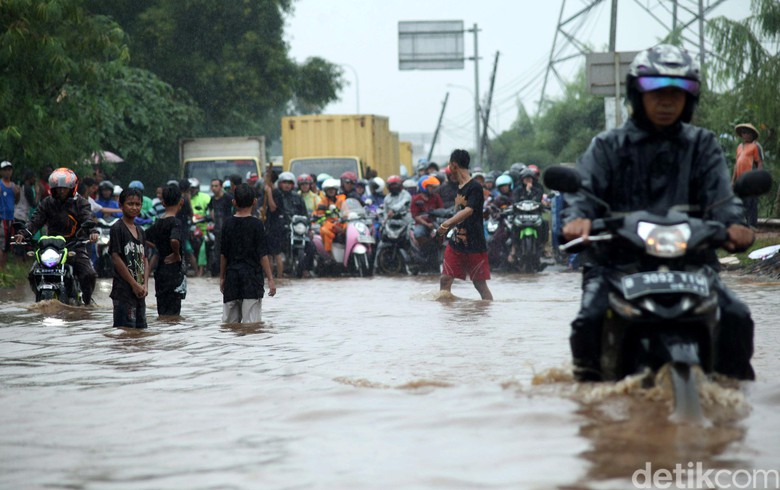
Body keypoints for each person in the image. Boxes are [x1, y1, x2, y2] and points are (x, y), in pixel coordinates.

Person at [561, 44, 756, 382]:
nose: (666, 101)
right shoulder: (607, 146)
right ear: (638, 94)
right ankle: (589, 399)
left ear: (689, 99)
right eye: (656, 91)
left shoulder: (702, 145)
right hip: (616, 262)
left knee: (737, 315)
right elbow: (584, 193)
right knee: (587, 322)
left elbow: (721, 198)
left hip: (691, 262)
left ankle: (734, 394)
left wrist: (735, 224)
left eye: (677, 92)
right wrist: (578, 220)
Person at [16, 168, 99, 304]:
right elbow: (35, 220)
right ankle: (40, 297)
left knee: (88, 274)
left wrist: (93, 231)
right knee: (32, 274)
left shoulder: (81, 202)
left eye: (64, 188)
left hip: (74, 245)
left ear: (72, 188)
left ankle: (87, 303)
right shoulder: (47, 202)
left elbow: (87, 218)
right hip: (51, 247)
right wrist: (22, 233)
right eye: (58, 188)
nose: (61, 191)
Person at [436, 149, 493, 300]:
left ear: (454, 165)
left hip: (474, 244)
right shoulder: (458, 187)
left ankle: (487, 315)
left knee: (480, 285)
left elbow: (469, 210)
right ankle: (448, 319)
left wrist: (446, 224)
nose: (449, 169)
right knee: (445, 279)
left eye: (449, 165)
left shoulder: (475, 187)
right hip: (456, 242)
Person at [220, 183, 276, 323]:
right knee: (251, 326)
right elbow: (263, 255)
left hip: (232, 278)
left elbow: (223, 255)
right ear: (255, 202)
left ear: (234, 202)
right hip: (252, 280)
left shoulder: (227, 224)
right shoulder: (257, 225)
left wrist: (222, 278)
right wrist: (270, 279)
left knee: (229, 325)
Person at [109, 188, 150, 329]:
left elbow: (144, 259)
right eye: (130, 204)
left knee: (140, 332)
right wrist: (133, 284)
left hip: (139, 293)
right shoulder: (117, 228)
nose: (134, 207)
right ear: (121, 206)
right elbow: (115, 257)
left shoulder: (141, 231)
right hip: (123, 291)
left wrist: (145, 285)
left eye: (137, 204)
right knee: (124, 332)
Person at [146, 184, 186, 317]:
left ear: (163, 203)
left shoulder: (158, 222)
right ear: (181, 201)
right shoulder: (176, 222)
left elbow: (143, 237)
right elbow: (174, 240)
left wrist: (156, 247)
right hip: (173, 273)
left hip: (160, 272)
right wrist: (176, 254)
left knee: (162, 312)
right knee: (174, 315)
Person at [732, 123, 764, 227]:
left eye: (747, 132)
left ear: (752, 135)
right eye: (743, 132)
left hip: (751, 178)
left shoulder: (755, 146)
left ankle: (752, 226)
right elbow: (737, 164)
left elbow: (759, 162)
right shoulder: (740, 147)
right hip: (740, 179)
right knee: (741, 203)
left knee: (751, 203)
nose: (745, 134)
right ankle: (743, 225)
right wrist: (733, 180)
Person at [411, 175, 443, 246]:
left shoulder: (436, 196)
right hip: (422, 224)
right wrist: (427, 224)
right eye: (431, 187)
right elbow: (415, 216)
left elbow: (441, 210)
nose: (433, 189)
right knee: (418, 233)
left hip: (436, 222)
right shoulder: (416, 199)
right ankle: (425, 249)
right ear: (424, 187)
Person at [0, 161, 20, 268]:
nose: (7, 172)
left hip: (10, 218)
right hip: (1, 218)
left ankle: (3, 269)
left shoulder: (13, 186)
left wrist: (18, 194)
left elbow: (16, 202)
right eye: (5, 170)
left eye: (9, 170)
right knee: (2, 243)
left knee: (8, 244)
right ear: (1, 172)